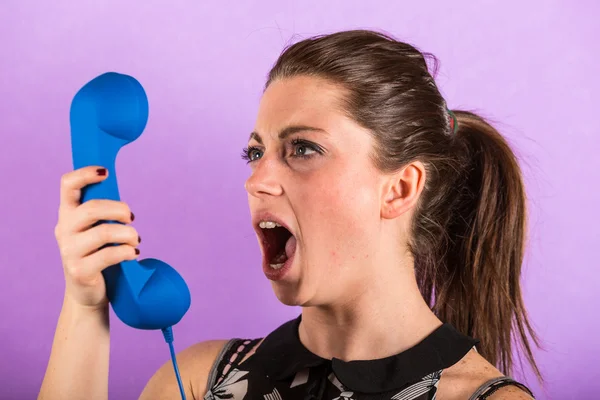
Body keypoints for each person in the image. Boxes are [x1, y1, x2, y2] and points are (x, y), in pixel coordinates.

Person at [38, 30, 541, 400]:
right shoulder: (195, 381)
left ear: (400, 188)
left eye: (302, 148)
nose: (256, 181)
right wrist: (85, 308)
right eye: (255, 153)